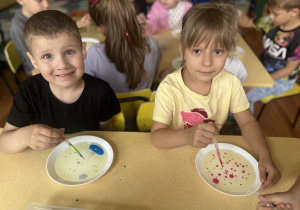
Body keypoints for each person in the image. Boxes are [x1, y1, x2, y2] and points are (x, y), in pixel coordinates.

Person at [151, 1, 281, 190]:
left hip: (211, 162)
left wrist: (265, 157)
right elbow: (156, 137)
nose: (207, 62)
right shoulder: (169, 87)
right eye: (197, 51)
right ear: (182, 50)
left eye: (218, 51)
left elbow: (247, 122)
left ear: (229, 52)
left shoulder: (230, 83)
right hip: (174, 158)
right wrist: (187, 136)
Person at [0, 10, 120, 154]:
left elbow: (106, 129)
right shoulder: (29, 92)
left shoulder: (101, 91)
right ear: (33, 61)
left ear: (83, 51)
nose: (62, 65)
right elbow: (3, 144)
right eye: (47, 55)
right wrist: (25, 136)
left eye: (69, 52)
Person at [84, 0, 161, 93]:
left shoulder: (92, 56)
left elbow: (87, 89)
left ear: (100, 28)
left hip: (112, 107)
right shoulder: (152, 44)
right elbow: (155, 73)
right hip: (144, 106)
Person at [238, 0, 300, 112]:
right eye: (269, 11)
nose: (270, 16)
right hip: (261, 67)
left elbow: (288, 69)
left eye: (275, 13)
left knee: (244, 97)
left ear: (294, 12)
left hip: (281, 80)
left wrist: (258, 83)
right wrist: (239, 14)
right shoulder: (271, 20)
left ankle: (240, 127)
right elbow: (247, 22)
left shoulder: (298, 38)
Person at [10, 0, 90, 76]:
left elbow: (59, 27)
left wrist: (78, 23)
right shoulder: (18, 28)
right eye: (39, 1)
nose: (47, 4)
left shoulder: (41, 12)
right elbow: (31, 64)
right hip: (38, 69)